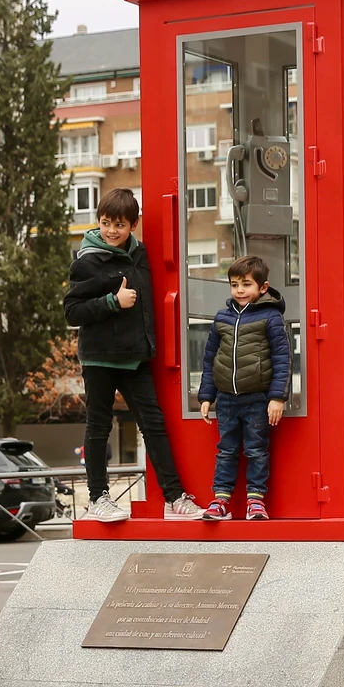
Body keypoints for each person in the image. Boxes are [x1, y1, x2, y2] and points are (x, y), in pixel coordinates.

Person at [63, 186, 203, 523]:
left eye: (120, 225)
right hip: (99, 357)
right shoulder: (88, 261)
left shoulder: (140, 256)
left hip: (136, 356)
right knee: (99, 426)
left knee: (154, 425)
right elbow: (72, 311)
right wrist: (113, 302)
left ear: (134, 225)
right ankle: (98, 498)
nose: (112, 230)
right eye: (106, 222)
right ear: (99, 221)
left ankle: (174, 498)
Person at [197, 255, 290, 521]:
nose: (239, 290)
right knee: (226, 450)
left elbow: (283, 359)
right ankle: (221, 501)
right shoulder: (222, 318)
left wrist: (277, 398)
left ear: (262, 287)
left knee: (256, 450)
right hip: (226, 399)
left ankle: (255, 501)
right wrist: (207, 395)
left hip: (257, 399)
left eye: (246, 284)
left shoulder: (271, 317)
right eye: (234, 284)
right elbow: (210, 358)